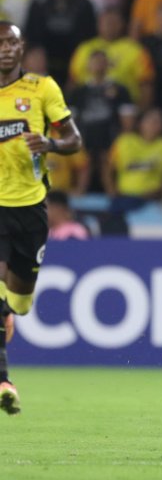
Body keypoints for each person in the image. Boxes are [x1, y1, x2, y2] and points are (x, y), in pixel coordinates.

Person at [0, 21, 84, 415]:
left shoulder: (42, 88)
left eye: (11, 42)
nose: (5, 48)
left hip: (31, 208)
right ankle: (4, 382)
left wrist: (50, 143)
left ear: (22, 48)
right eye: (0, 43)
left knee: (19, 301)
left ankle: (8, 312)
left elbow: (74, 140)